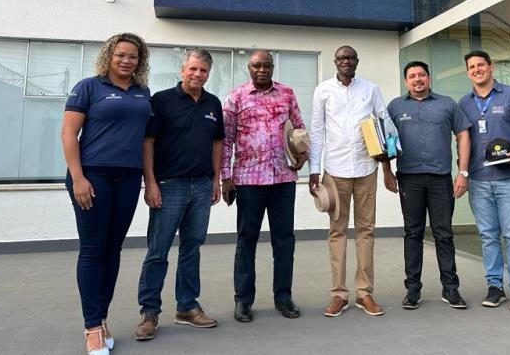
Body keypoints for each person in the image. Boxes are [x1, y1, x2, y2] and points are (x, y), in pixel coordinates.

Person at [61, 33, 152, 355]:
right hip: (93, 176)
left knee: (113, 250)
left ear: (140, 61)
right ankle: (92, 327)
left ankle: (101, 319)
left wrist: (149, 180)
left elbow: (145, 140)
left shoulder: (143, 92)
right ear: (109, 56)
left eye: (133, 56)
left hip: (128, 178)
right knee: (92, 250)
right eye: (120, 55)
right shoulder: (89, 87)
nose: (126, 61)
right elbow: (68, 134)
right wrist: (78, 178)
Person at [134, 48, 224, 341]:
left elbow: (217, 143)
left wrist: (216, 181)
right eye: (193, 69)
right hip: (168, 185)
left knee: (192, 247)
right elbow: (148, 142)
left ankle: (187, 306)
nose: (198, 74)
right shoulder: (162, 101)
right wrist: (150, 182)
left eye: (203, 71)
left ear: (208, 74)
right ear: (182, 70)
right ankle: (149, 312)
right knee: (158, 250)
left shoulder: (213, 103)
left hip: (201, 186)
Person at [309, 45, 396, 317]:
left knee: (365, 230)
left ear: (357, 61)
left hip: (366, 168)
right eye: (341, 58)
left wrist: (387, 167)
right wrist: (314, 169)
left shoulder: (370, 89)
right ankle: (338, 294)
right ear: (335, 62)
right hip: (335, 170)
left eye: (350, 58)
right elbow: (317, 130)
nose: (346, 61)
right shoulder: (323, 91)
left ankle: (364, 293)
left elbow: (385, 124)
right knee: (337, 231)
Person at [221, 49, 308, 323]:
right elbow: (226, 140)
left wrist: (303, 153)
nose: (262, 70)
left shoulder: (287, 94)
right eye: (257, 65)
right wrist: (225, 177)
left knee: (284, 241)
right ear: (249, 67)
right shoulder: (236, 97)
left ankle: (283, 297)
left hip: (283, 179)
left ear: (272, 67)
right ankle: (243, 300)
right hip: (249, 180)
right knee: (246, 240)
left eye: (266, 65)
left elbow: (299, 128)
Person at [458, 50, 510, 313]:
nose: (477, 70)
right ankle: (495, 287)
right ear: (467, 72)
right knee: (488, 236)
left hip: (509, 180)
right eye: (472, 67)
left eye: (480, 65)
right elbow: (461, 140)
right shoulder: (464, 103)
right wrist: (462, 173)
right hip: (479, 180)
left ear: (491, 66)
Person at [385, 61, 472, 310]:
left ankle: (451, 288)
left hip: (440, 178)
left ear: (429, 78)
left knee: (443, 234)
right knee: (413, 233)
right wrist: (386, 171)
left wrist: (462, 172)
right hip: (409, 178)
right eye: (412, 76)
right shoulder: (395, 107)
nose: (417, 79)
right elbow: (386, 140)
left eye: (421, 75)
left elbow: (463, 134)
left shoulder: (447, 104)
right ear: (406, 81)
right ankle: (413, 289)